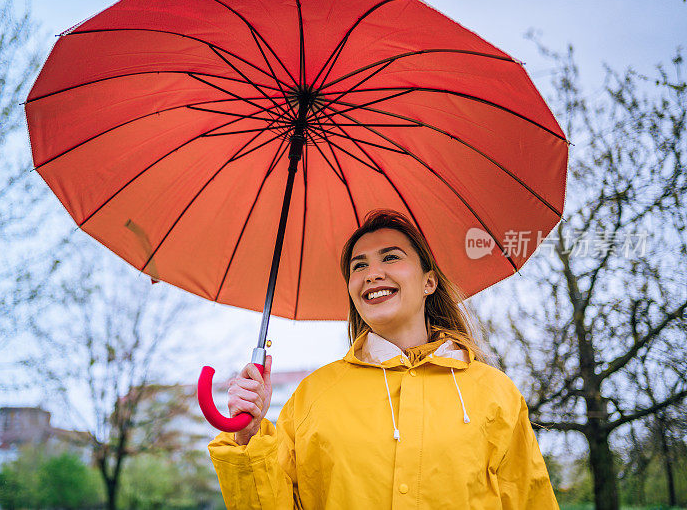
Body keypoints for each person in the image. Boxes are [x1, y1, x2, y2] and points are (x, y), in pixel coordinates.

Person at [208, 209, 558, 509]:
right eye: (358, 266)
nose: (372, 273)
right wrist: (249, 435)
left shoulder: (495, 393)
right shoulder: (312, 396)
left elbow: (530, 499)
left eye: (391, 257)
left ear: (429, 282)